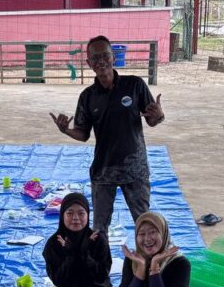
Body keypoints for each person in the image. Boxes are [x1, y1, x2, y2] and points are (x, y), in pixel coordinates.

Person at [50, 35, 165, 234]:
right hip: (103, 170)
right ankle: (100, 256)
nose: (101, 61)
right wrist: (66, 130)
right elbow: (83, 134)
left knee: (145, 224)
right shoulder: (87, 96)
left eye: (105, 55)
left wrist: (159, 115)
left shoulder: (135, 85)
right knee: (99, 229)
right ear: (89, 63)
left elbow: (151, 120)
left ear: (114, 57)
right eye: (95, 58)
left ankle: (148, 255)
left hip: (135, 168)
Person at [43, 192, 126, 287]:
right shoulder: (54, 244)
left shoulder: (98, 240)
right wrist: (70, 254)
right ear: (62, 215)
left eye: (81, 213)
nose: (76, 218)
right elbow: (58, 280)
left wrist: (84, 252)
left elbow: (101, 275)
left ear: (88, 215)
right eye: (70, 213)